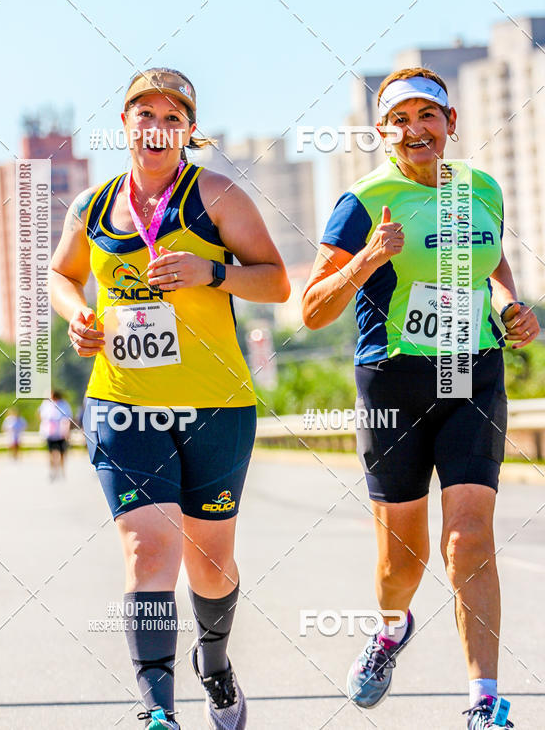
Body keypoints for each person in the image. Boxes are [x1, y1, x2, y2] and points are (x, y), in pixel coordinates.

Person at [49, 68, 290, 730]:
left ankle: (213, 662)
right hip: (124, 405)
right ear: (125, 125)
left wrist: (211, 272)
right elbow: (61, 275)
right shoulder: (92, 208)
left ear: (189, 129)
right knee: (149, 550)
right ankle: (158, 712)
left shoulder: (215, 197)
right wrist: (77, 315)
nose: (157, 127)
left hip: (216, 405)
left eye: (172, 116)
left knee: (211, 563)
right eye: (144, 114)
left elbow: (275, 284)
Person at [302, 68, 539, 729]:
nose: (415, 131)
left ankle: (484, 701)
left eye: (427, 117)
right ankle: (389, 631)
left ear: (451, 124)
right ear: (382, 133)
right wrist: (368, 258)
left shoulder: (480, 190)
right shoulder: (362, 202)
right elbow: (313, 309)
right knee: (400, 561)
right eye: (399, 121)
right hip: (395, 383)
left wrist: (512, 306)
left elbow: (491, 264)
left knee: (467, 541)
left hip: (471, 374)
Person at [39, 391, 72, 480]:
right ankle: (52, 470)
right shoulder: (46, 404)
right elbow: (41, 416)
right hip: (50, 432)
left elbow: (67, 418)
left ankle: (62, 470)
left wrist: (67, 431)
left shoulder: (64, 404)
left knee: (62, 453)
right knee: (51, 453)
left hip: (61, 432)